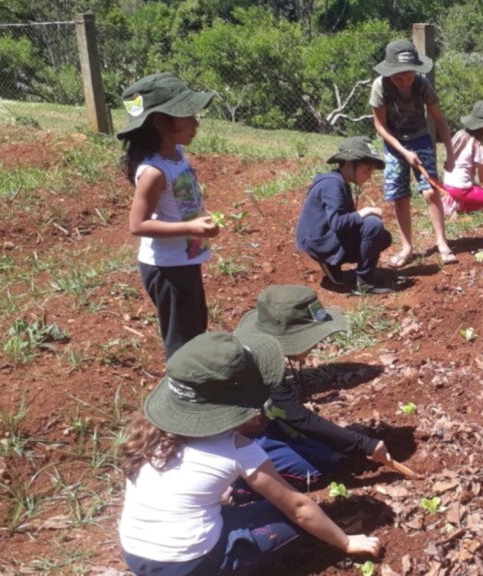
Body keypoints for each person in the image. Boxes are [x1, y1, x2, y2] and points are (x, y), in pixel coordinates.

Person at [118, 331, 381, 574]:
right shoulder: (237, 449)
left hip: (135, 552)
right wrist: (346, 542)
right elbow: (299, 507)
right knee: (295, 519)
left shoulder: (153, 431)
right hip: (193, 563)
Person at [232, 285, 395, 496]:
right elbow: (297, 417)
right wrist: (364, 444)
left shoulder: (262, 353)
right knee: (312, 472)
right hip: (226, 442)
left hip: (256, 424)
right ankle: (236, 486)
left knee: (328, 455)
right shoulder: (259, 364)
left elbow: (284, 412)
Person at [119, 73, 220, 359]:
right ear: (161, 121)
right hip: (167, 268)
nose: (196, 122)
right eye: (188, 115)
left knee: (195, 323)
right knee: (181, 338)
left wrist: (197, 223)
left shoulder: (176, 153)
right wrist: (190, 226)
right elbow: (137, 224)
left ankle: (195, 377)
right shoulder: (153, 171)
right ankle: (182, 388)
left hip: (184, 258)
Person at [370, 39, 457, 267]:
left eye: (408, 75)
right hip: (393, 142)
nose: (403, 81)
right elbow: (380, 126)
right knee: (400, 195)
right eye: (398, 77)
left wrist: (450, 151)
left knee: (430, 191)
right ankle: (407, 247)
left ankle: (442, 242)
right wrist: (402, 152)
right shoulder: (381, 86)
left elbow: (439, 120)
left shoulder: (422, 85)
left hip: (420, 139)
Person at [296, 136, 393, 295]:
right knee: (373, 225)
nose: (369, 176)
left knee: (382, 236)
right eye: (366, 170)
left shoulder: (338, 181)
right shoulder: (333, 185)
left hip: (319, 239)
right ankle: (364, 284)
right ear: (349, 164)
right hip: (319, 242)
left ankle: (332, 264)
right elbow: (337, 223)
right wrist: (365, 211)